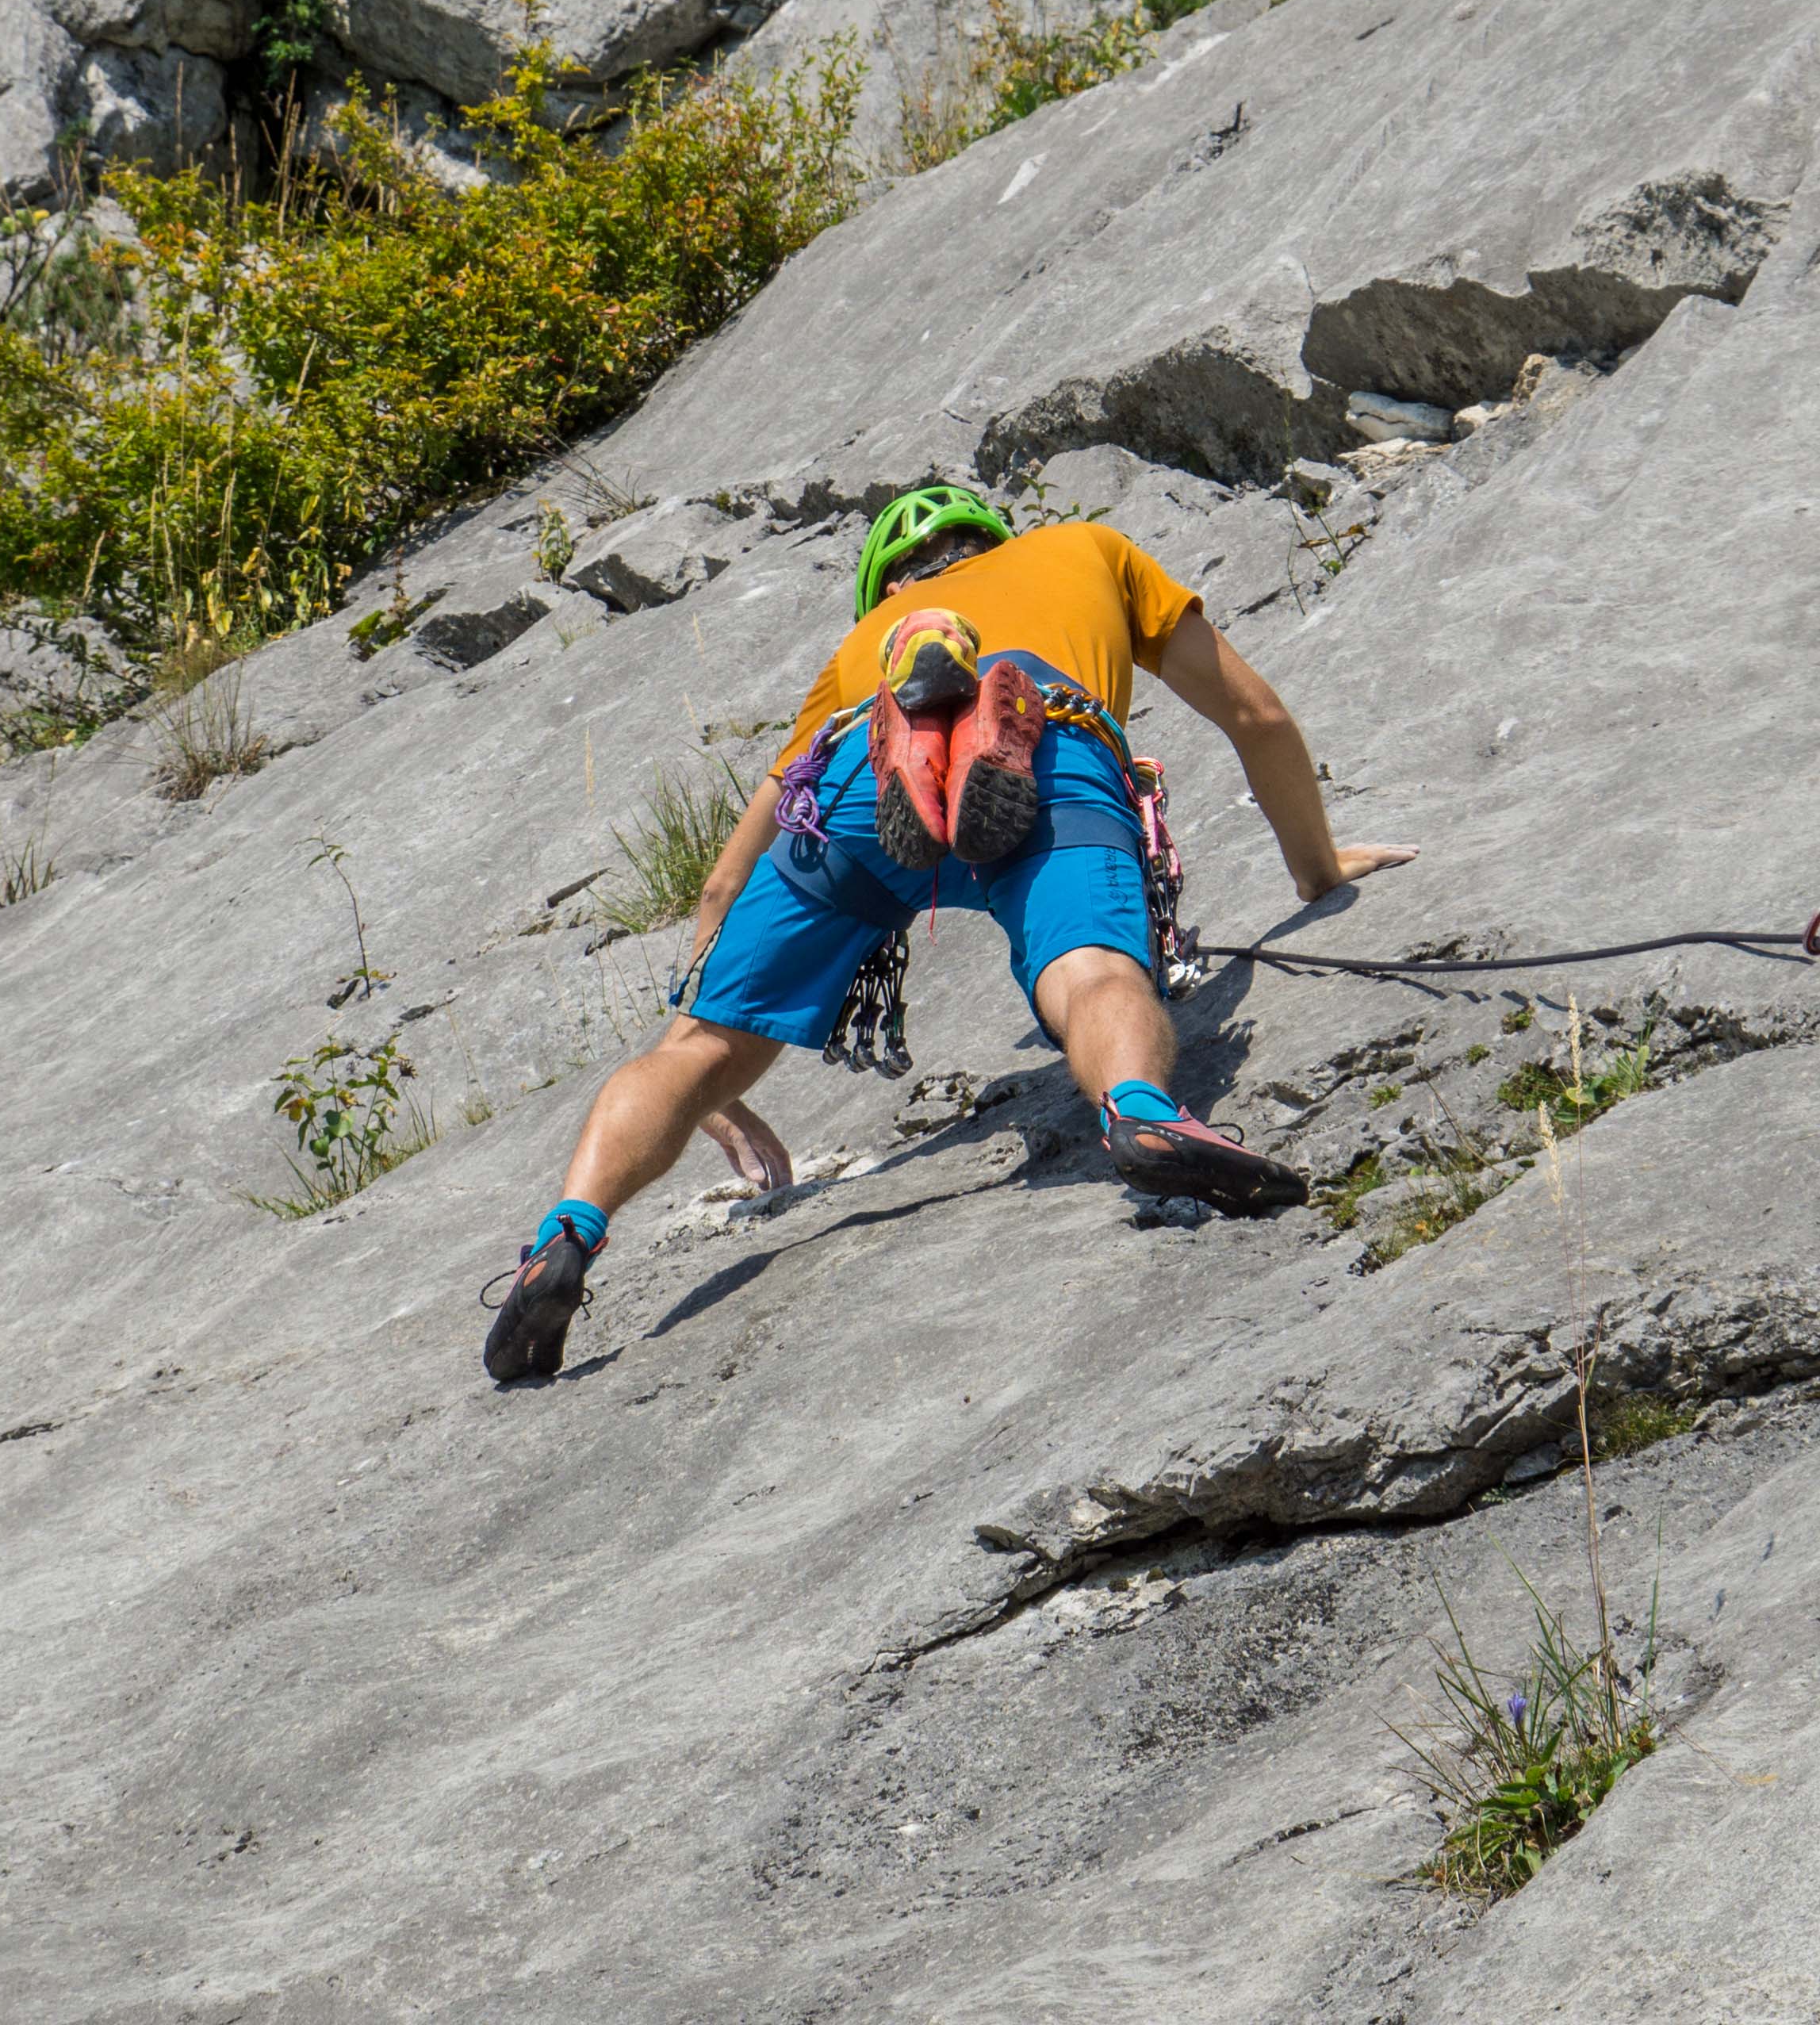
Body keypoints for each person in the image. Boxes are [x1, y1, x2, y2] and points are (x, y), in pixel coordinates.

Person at [484, 484, 1414, 1385]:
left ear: (892, 585)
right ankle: (1138, 1110)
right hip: (1043, 731)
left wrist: (710, 1097)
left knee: (699, 1048)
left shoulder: (858, 644)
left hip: (859, 764)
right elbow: (1256, 715)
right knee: (1090, 970)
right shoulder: (1085, 549)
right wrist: (1319, 872)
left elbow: (722, 882)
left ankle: (567, 1230)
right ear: (992, 541)